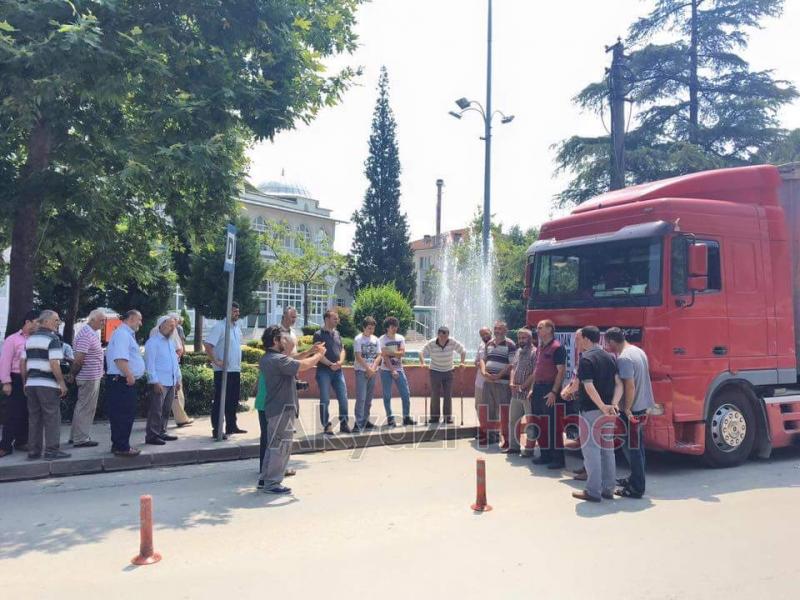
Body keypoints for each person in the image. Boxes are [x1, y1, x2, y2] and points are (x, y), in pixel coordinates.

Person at [258, 325, 326, 494]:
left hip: (275, 408)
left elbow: (293, 359)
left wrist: (310, 351)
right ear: (275, 341)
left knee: (273, 445)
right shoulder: (277, 360)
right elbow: (302, 365)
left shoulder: (270, 358)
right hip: (282, 408)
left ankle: (265, 479)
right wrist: (318, 355)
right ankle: (272, 483)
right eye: (283, 338)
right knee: (281, 446)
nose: (286, 341)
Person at [571, 326, 622, 503]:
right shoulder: (610, 357)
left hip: (592, 411)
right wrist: (612, 405)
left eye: (579, 339)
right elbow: (619, 384)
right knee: (608, 450)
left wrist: (601, 406)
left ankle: (593, 491)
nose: (578, 342)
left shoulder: (586, 359)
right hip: (609, 412)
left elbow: (588, 385)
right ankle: (608, 488)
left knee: (591, 450)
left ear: (586, 339)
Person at [605, 327, 654, 499]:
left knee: (632, 449)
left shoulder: (624, 358)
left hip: (632, 410)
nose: (606, 346)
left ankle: (636, 488)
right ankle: (635, 478)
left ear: (611, 341)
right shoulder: (638, 351)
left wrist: (626, 408)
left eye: (607, 342)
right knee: (638, 447)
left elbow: (630, 385)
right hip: (642, 405)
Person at [20, 310, 70, 460]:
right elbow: (54, 363)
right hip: (47, 384)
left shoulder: (29, 339)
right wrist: (61, 383)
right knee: (52, 417)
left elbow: (23, 363)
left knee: (34, 418)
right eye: (56, 320)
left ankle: (33, 451)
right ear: (46, 322)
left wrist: (25, 382)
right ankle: (51, 450)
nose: (58, 323)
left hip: (32, 383)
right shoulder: (53, 339)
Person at [105, 310, 145, 457]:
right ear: (132, 318)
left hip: (120, 379)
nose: (141, 323)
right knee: (124, 414)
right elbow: (120, 358)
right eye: (139, 320)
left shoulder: (124, 334)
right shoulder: (122, 334)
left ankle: (119, 444)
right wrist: (129, 375)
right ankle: (122, 447)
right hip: (122, 380)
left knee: (121, 414)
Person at [204, 301, 245, 438]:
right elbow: (208, 345)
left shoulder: (236, 328)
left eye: (238, 312)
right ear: (227, 312)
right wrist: (216, 361)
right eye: (234, 311)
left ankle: (231, 426)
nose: (237, 314)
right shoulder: (220, 327)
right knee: (221, 400)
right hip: (222, 371)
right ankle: (217, 429)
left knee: (233, 400)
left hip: (235, 369)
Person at [0, 310, 38, 457]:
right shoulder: (13, 339)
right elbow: (5, 362)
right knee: (13, 413)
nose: (38, 326)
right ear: (28, 322)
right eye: (36, 322)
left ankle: (22, 441)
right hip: (15, 378)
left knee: (28, 411)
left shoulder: (36, 339)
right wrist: (6, 382)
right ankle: (5, 445)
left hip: (33, 378)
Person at [531, 320, 568, 469]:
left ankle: (558, 459)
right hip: (538, 389)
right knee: (539, 423)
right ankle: (545, 455)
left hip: (549, 389)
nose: (537, 330)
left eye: (540, 328)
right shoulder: (540, 347)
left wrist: (554, 392)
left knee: (552, 425)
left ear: (549, 329)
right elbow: (537, 370)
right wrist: (533, 388)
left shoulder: (557, 347)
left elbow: (561, 371)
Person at [68, 309, 106, 448]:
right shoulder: (86, 334)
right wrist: (72, 374)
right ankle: (81, 438)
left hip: (91, 376)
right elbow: (78, 359)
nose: (104, 323)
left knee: (82, 407)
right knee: (85, 408)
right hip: (88, 377)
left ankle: (75, 436)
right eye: (101, 320)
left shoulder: (90, 333)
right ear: (92, 320)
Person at [143, 316, 182, 446]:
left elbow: (174, 363)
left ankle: (161, 432)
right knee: (156, 410)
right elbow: (150, 365)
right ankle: (152, 436)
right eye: (170, 325)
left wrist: (177, 379)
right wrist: (154, 382)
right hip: (159, 382)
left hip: (171, 381)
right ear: (161, 325)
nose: (172, 328)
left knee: (166, 410)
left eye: (174, 326)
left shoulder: (170, 342)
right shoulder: (152, 342)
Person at [479, 321, 517, 448]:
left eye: (500, 329)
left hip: (503, 383)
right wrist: (484, 372)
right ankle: (491, 436)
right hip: (488, 382)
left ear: (506, 330)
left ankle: (506, 439)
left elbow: (511, 364)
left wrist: (499, 375)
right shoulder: (489, 343)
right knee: (488, 409)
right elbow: (484, 359)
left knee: (504, 411)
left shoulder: (510, 344)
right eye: (495, 328)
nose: (497, 331)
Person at [313, 309, 350, 434]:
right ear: (327, 319)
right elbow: (318, 353)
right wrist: (330, 364)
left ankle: (344, 423)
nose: (337, 321)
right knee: (325, 398)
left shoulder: (337, 333)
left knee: (343, 397)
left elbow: (342, 350)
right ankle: (326, 425)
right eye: (335, 318)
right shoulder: (318, 334)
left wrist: (340, 362)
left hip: (338, 371)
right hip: (324, 371)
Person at [419, 326, 466, 424]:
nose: (443, 339)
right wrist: (422, 362)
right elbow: (421, 352)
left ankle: (447, 418)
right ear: (438, 335)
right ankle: (435, 418)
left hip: (449, 371)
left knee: (447, 395)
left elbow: (463, 350)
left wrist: (462, 362)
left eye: (445, 336)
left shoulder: (452, 342)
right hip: (435, 371)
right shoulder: (432, 343)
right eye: (441, 336)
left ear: (448, 335)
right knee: (435, 394)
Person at [379, 317, 416, 427]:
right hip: (386, 370)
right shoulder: (382, 339)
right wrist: (392, 369)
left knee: (406, 393)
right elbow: (384, 357)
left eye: (396, 326)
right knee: (387, 395)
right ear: (387, 328)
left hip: (399, 369)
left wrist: (390, 352)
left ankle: (406, 417)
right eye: (392, 326)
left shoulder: (400, 338)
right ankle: (390, 418)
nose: (394, 328)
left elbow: (402, 353)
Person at [507, 328, 536, 454]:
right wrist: (512, 382)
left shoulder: (535, 352)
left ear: (530, 338)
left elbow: (535, 373)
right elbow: (513, 368)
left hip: (527, 393)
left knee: (530, 422)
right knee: (513, 420)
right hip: (515, 392)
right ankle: (513, 447)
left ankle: (529, 449)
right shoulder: (518, 351)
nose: (521, 340)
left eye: (524, 338)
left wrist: (524, 386)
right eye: (519, 338)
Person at [353, 316, 381, 432]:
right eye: (369, 328)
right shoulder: (358, 339)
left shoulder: (376, 339)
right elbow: (358, 356)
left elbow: (379, 355)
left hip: (373, 372)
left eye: (373, 328)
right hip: (361, 371)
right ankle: (358, 423)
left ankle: (366, 420)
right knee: (361, 398)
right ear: (364, 327)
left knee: (369, 398)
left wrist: (373, 368)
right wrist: (367, 369)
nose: (371, 331)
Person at [167, 314, 193, 428]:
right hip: (171, 368)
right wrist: (181, 353)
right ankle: (181, 419)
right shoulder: (173, 330)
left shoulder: (156, 330)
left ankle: (157, 425)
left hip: (165, 369)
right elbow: (179, 347)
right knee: (177, 394)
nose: (177, 323)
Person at [474, 326, 493, 444]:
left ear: (490, 332)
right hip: (480, 382)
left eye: (486, 334)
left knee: (491, 409)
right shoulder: (481, 345)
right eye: (482, 335)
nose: (484, 336)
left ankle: (492, 434)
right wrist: (480, 365)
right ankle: (483, 430)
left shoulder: (498, 344)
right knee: (479, 407)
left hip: (492, 382)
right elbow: (476, 360)